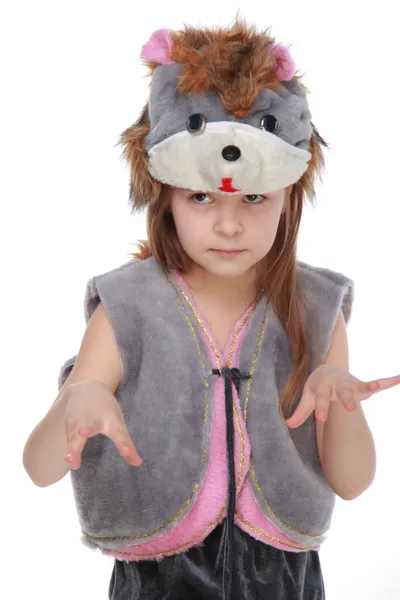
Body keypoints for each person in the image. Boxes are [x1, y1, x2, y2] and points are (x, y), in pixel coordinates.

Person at [22, 17, 400, 600]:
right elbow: (39, 467)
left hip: (284, 581)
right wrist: (77, 399)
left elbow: (352, 483)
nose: (228, 223)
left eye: (255, 197)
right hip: (158, 577)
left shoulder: (317, 308)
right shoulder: (127, 305)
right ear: (165, 196)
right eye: (201, 196)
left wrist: (338, 399)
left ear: (288, 196)